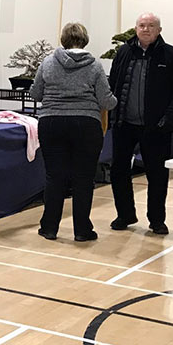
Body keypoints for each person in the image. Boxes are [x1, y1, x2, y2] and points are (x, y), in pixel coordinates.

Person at [29, 22, 117, 242]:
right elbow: (106, 101)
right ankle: (82, 230)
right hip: (85, 124)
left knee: (54, 176)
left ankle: (49, 227)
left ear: (63, 39)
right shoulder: (94, 65)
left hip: (51, 122)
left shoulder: (48, 62)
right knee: (83, 178)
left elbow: (36, 93)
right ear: (85, 40)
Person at [108, 12, 173, 235]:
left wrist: (169, 117)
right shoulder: (123, 52)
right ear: (136, 28)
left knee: (157, 175)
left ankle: (157, 220)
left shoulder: (172, 55)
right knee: (119, 171)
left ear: (159, 30)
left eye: (151, 25)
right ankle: (125, 214)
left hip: (156, 127)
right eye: (142, 25)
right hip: (124, 124)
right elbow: (113, 83)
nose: (146, 29)